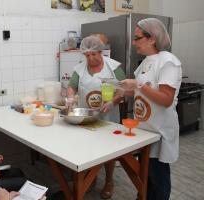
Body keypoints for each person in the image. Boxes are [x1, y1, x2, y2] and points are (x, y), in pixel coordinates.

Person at [119, 18, 181, 200]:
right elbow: (141, 93)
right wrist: (120, 90)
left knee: (157, 177)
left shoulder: (168, 61)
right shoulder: (145, 62)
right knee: (145, 175)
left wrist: (138, 84)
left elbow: (166, 99)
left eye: (137, 38)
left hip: (159, 131)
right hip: (144, 130)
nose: (133, 42)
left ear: (152, 38)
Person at [66, 35, 125, 199]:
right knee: (87, 150)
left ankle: (109, 181)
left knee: (109, 152)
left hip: (108, 118)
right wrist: (70, 98)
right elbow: (71, 87)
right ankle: (90, 178)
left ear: (101, 52)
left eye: (94, 54)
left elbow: (123, 90)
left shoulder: (114, 67)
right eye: (87, 55)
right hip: (88, 118)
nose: (90, 58)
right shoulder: (80, 69)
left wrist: (113, 102)